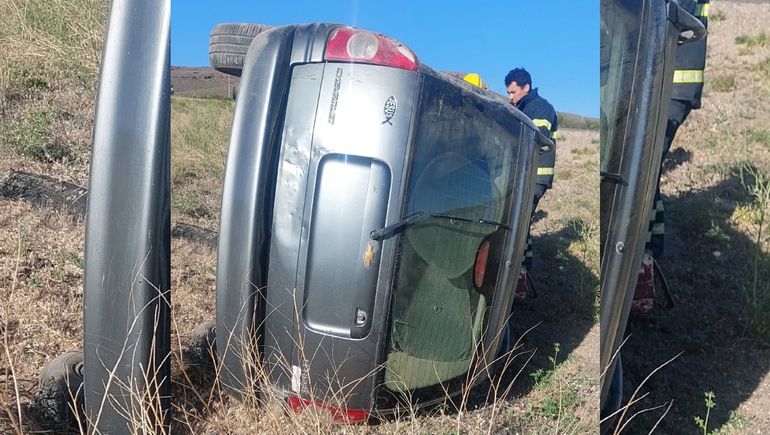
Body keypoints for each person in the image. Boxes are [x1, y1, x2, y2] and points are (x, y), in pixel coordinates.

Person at [632, 0, 710, 315]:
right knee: (646, 175)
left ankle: (641, 266)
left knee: (641, 174)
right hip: (667, 85)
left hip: (666, 85)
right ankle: (648, 257)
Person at [504, 68, 558, 299]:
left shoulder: (540, 109)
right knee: (521, 225)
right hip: (526, 177)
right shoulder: (524, 107)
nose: (510, 97)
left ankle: (518, 279)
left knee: (519, 224)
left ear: (526, 88)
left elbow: (531, 141)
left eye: (513, 92)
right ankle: (520, 277)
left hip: (534, 178)